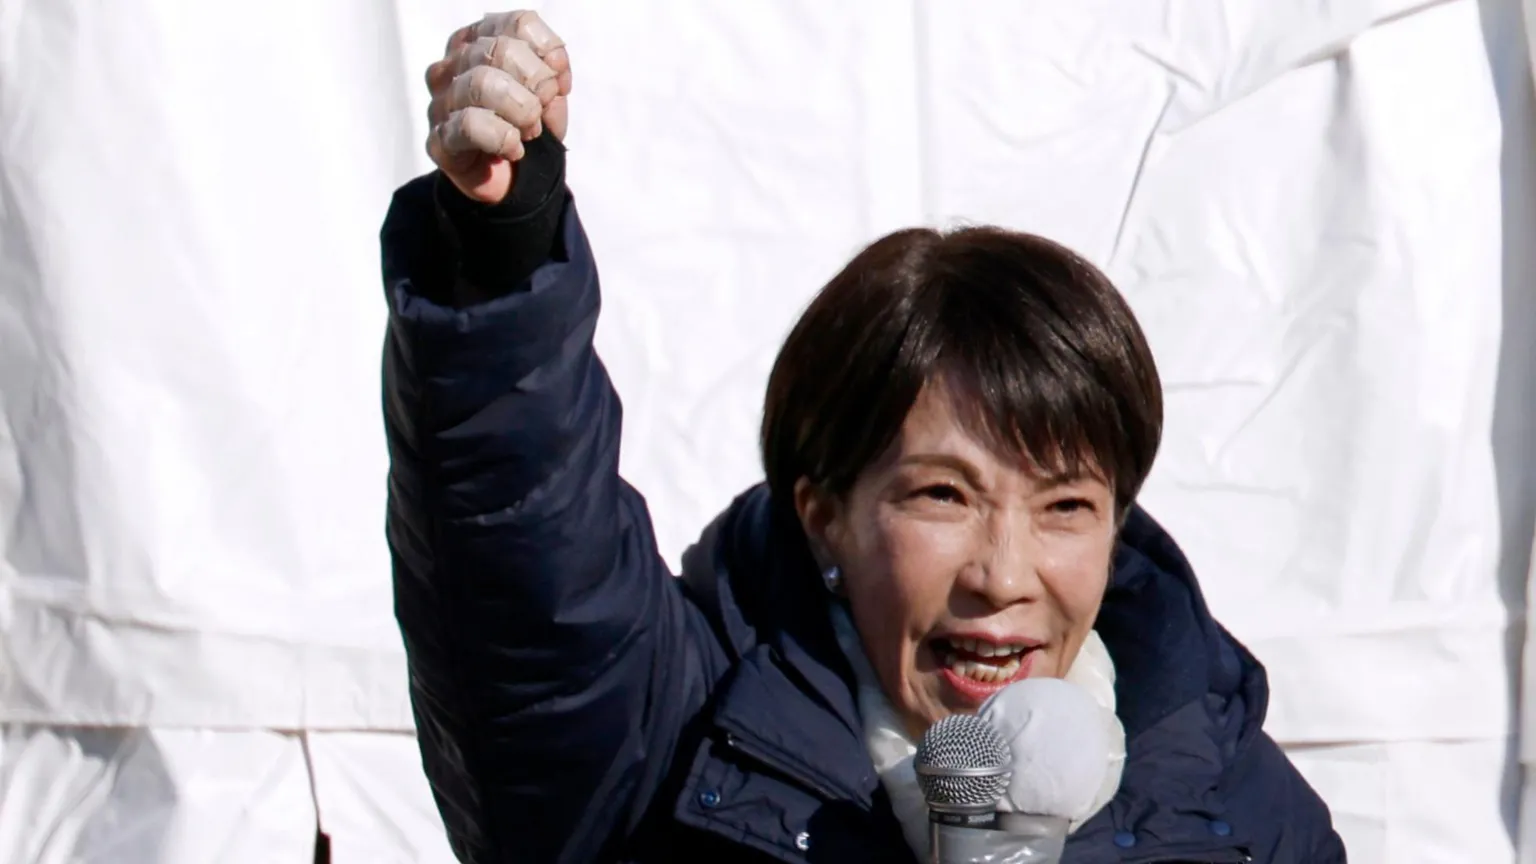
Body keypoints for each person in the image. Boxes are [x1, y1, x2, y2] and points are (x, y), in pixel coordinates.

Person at [380, 11, 1347, 864]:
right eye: (944, 495)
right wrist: (502, 260)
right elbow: (534, 601)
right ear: (824, 513)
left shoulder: (1232, 802)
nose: (1003, 575)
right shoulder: (669, 743)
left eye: (1065, 507)